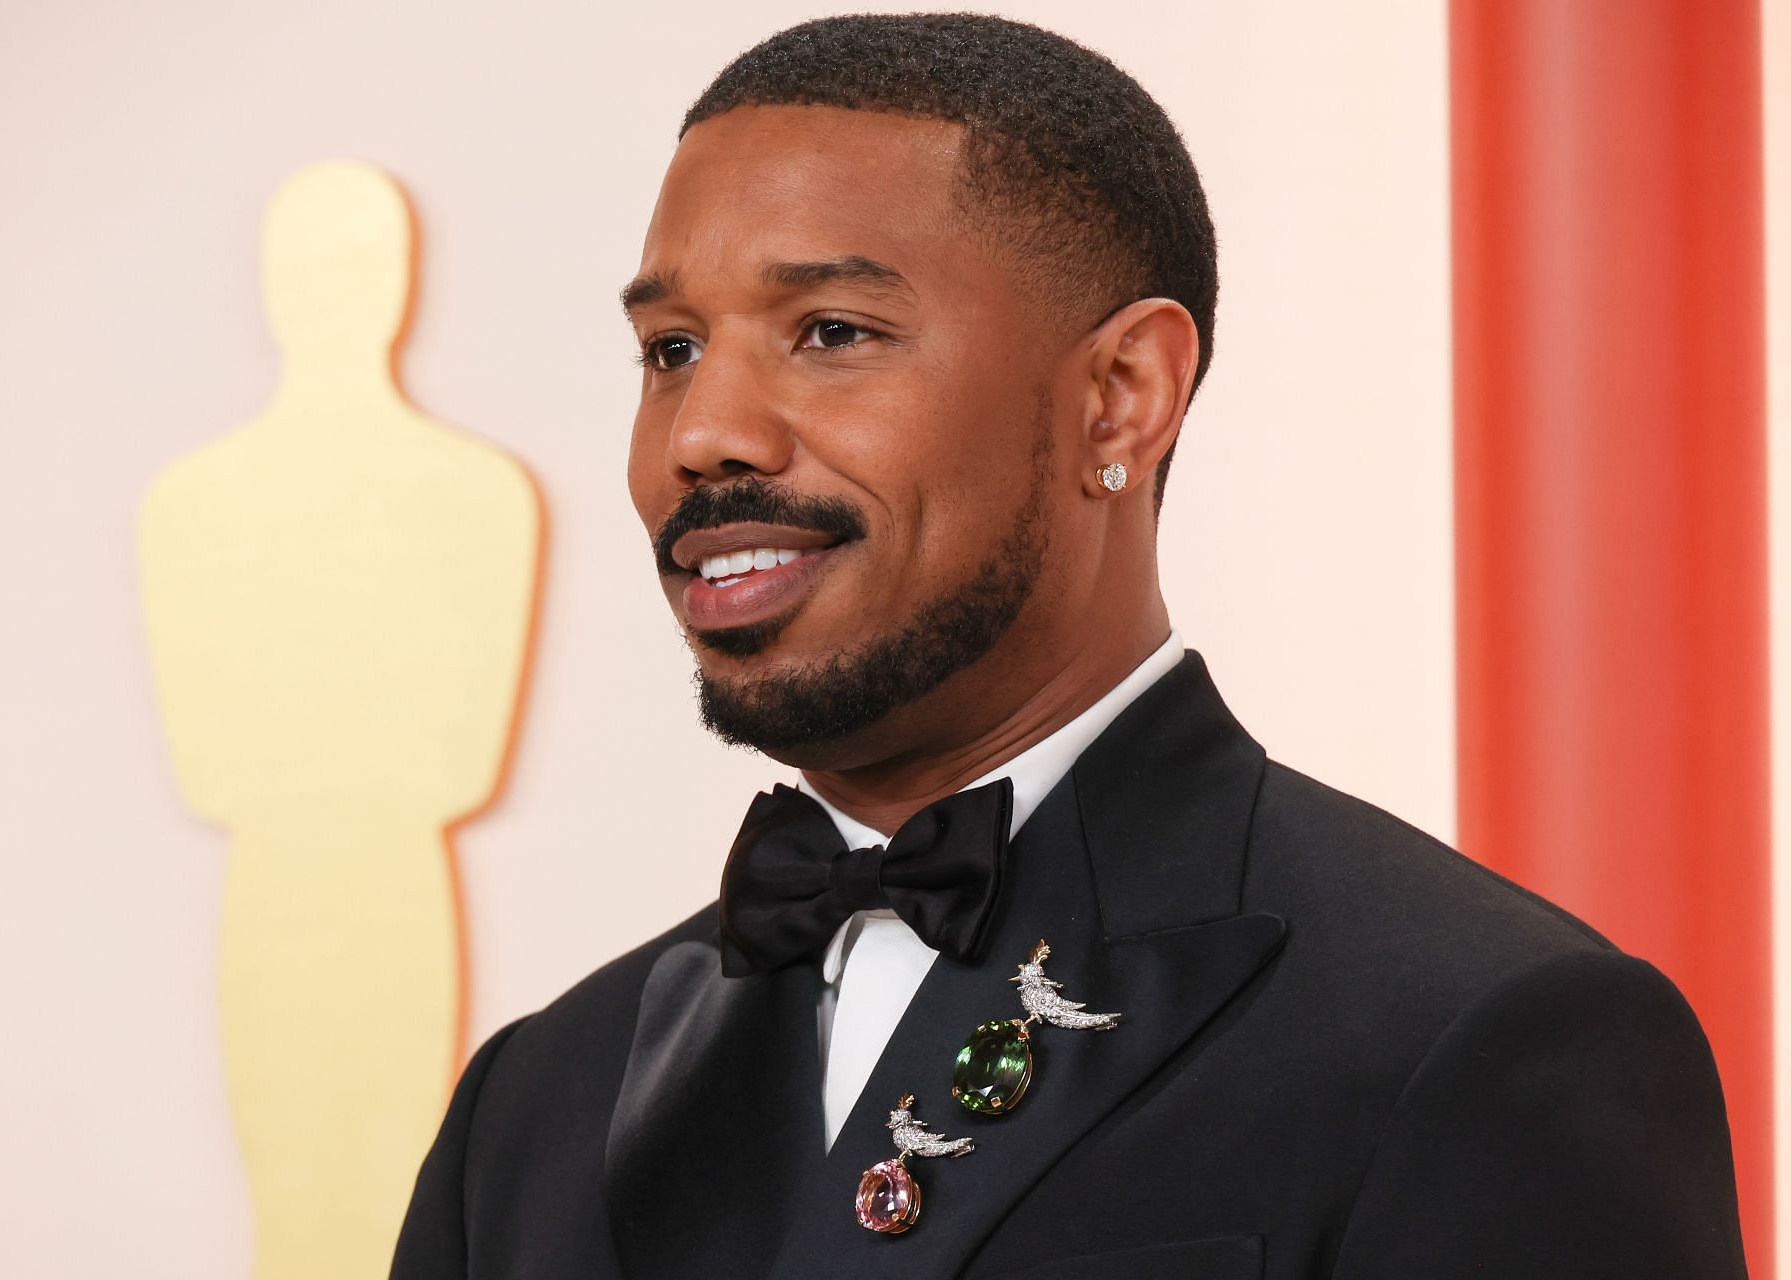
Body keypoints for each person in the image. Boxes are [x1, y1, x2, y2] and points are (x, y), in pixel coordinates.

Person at [390, 14, 1746, 1278]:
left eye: (832, 333)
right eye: (672, 349)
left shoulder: (1485, 1035)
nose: (702, 435)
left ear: (1121, 396)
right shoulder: (534, 1100)